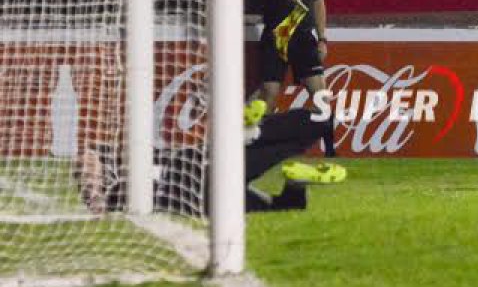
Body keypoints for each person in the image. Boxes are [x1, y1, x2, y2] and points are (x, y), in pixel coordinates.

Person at [75, 104, 346, 215]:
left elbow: (87, 159)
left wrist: (95, 198)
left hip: (198, 184)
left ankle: (254, 132)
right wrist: (96, 194)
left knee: (315, 122)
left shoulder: (117, 187)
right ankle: (292, 179)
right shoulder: (117, 177)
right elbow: (87, 158)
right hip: (199, 182)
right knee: (285, 206)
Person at [251, 0, 335, 157]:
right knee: (269, 91)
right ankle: (259, 145)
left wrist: (323, 38)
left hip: (304, 39)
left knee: (319, 92)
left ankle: (330, 147)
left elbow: (319, 4)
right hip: (277, 37)